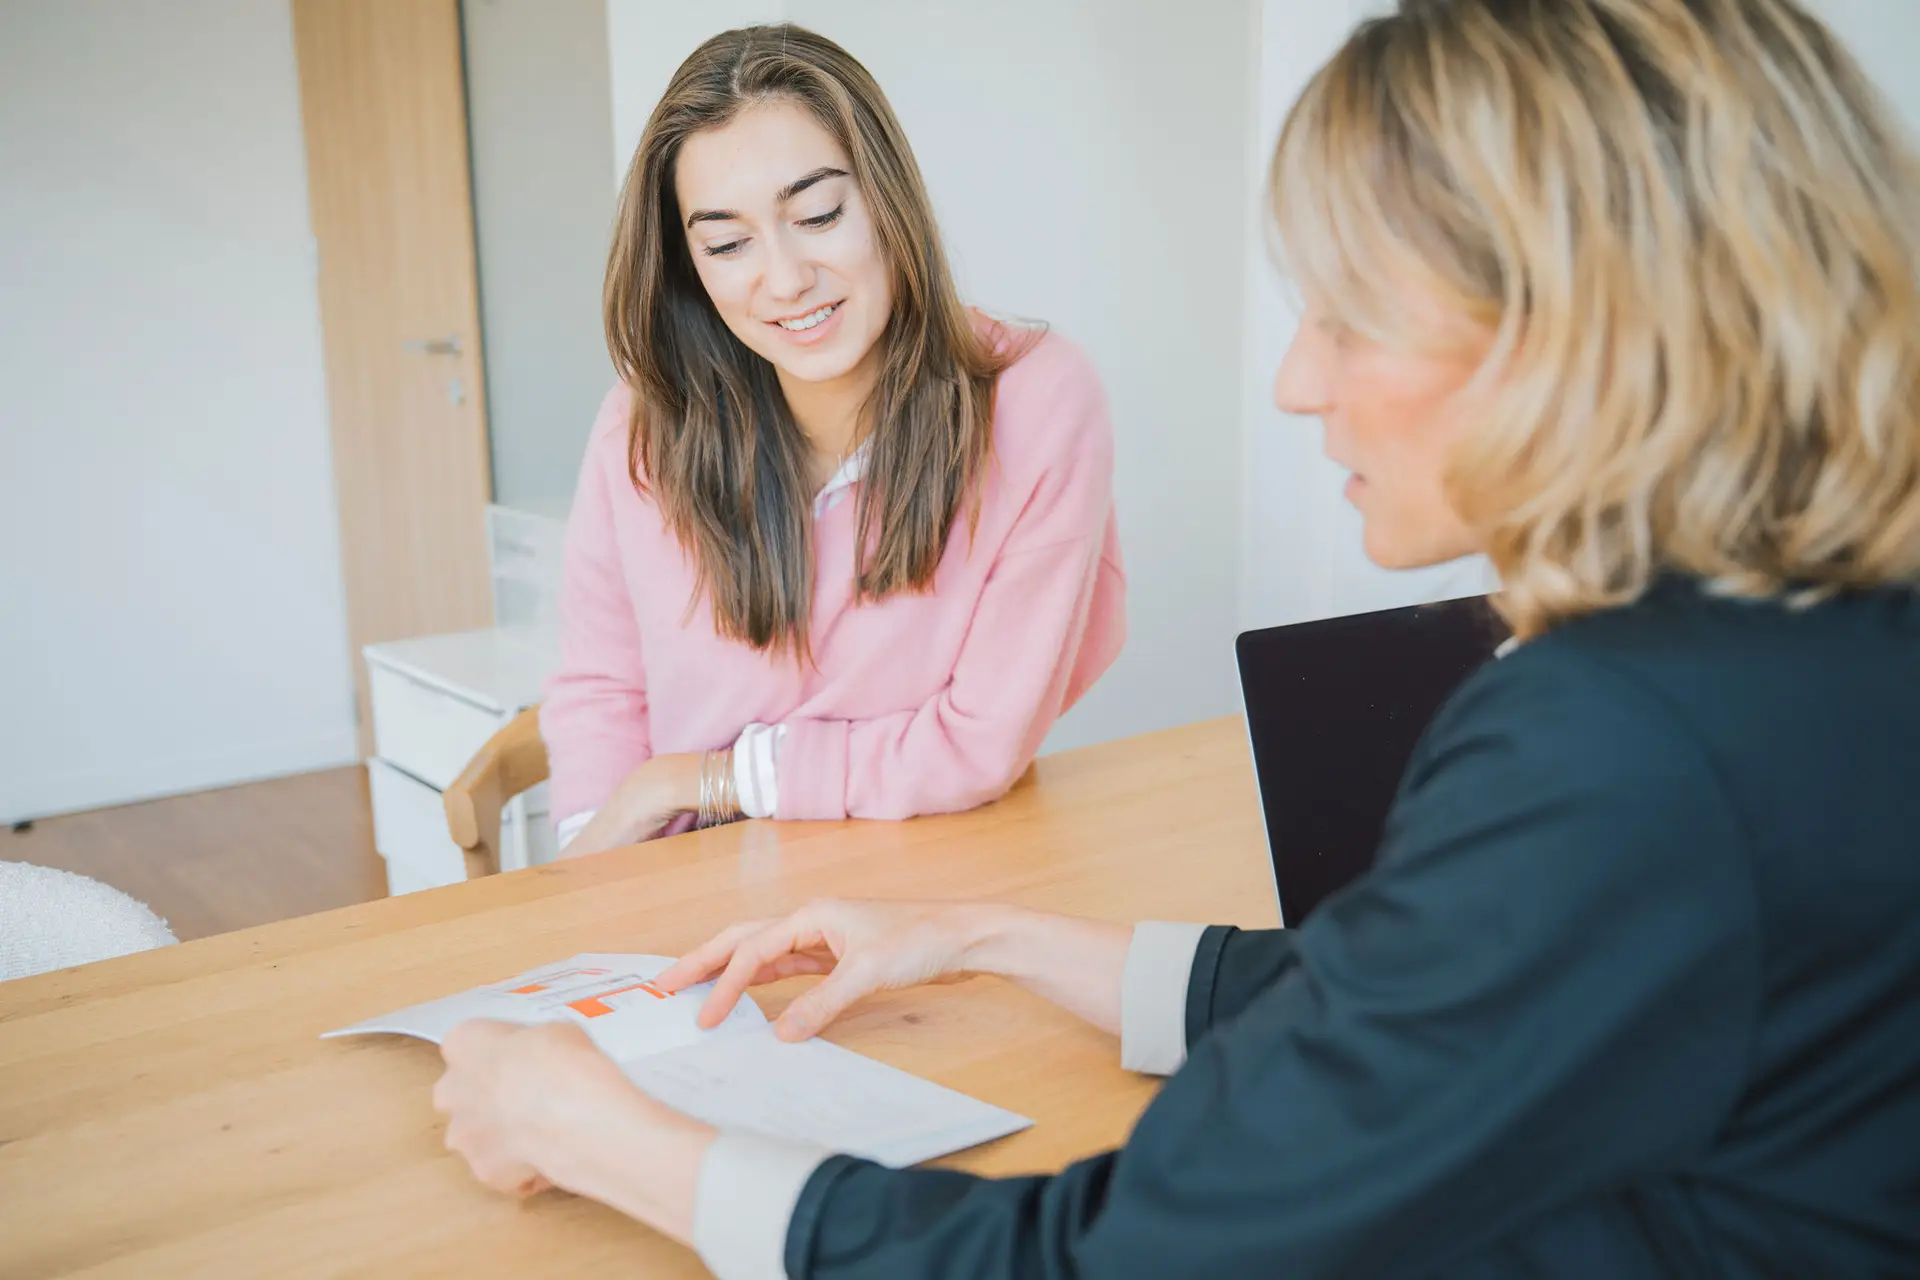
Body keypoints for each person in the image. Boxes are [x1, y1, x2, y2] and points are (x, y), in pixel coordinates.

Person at [432, 0, 1920, 1275]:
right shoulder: (1812, 648)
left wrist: (610, 1138)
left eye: (1348, 311)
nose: (1290, 380)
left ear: (1587, 320)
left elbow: (1110, 1257)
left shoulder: (1613, 742)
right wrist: (986, 934)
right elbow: (1428, 995)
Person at [544, 25, 1126, 857]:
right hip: (689, 887)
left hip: (927, 874)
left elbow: (978, 742)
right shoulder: (644, 423)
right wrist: (595, 855)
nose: (784, 280)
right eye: (727, 243)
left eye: (816, 214)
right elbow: (600, 687)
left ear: (886, 198)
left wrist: (698, 780)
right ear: (689, 269)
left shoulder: (1037, 403)